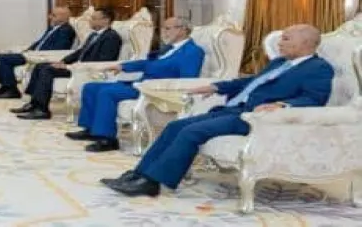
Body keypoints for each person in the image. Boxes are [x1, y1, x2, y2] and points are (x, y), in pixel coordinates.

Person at [102, 24, 333, 197]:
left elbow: (314, 99)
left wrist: (282, 105)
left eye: (286, 38)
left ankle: (153, 182)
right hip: (235, 109)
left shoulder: (319, 68)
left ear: (306, 43)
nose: (280, 43)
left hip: (257, 118)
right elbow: (251, 82)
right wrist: (216, 86)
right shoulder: (279, 63)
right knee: (175, 125)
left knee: (191, 132)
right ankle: (140, 174)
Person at [67, 17, 205, 152]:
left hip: (155, 89)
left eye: (168, 28)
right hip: (141, 83)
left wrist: (158, 85)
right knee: (90, 87)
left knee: (107, 92)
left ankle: (107, 139)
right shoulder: (169, 48)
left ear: (183, 30)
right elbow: (147, 63)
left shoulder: (192, 51)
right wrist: (122, 66)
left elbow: (187, 79)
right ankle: (90, 129)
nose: (164, 32)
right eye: (164, 28)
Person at [13, 7, 123, 119]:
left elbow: (103, 61)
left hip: (86, 71)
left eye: (94, 18)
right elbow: (80, 52)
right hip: (77, 68)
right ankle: (34, 104)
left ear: (106, 20)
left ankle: (42, 110)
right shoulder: (93, 35)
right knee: (40, 66)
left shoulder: (112, 37)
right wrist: (63, 61)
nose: (90, 21)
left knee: (47, 70)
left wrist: (69, 66)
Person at [0, 6, 77, 97]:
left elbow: (59, 48)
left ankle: (12, 90)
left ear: (62, 17)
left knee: (3, 59)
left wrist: (34, 54)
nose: (50, 17)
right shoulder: (53, 27)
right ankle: (5, 86)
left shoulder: (66, 30)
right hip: (33, 54)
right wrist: (29, 49)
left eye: (53, 15)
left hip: (40, 57)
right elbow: (40, 42)